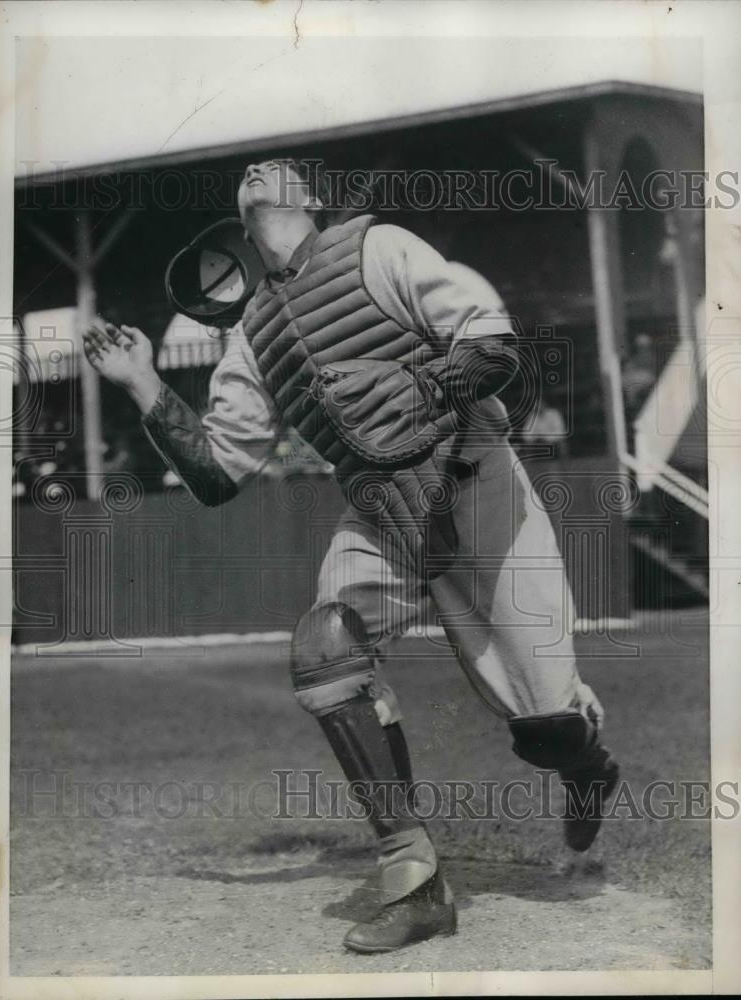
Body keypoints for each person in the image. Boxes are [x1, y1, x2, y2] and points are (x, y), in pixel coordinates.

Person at [83, 158, 619, 954]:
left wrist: (431, 384)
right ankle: (413, 876)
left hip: (476, 486)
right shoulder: (251, 337)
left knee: (544, 727)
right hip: (379, 517)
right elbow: (217, 474)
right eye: (249, 174)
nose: (258, 172)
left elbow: (496, 350)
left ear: (310, 197)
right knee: (324, 647)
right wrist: (139, 384)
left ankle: (586, 766)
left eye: (277, 169)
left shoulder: (380, 249)